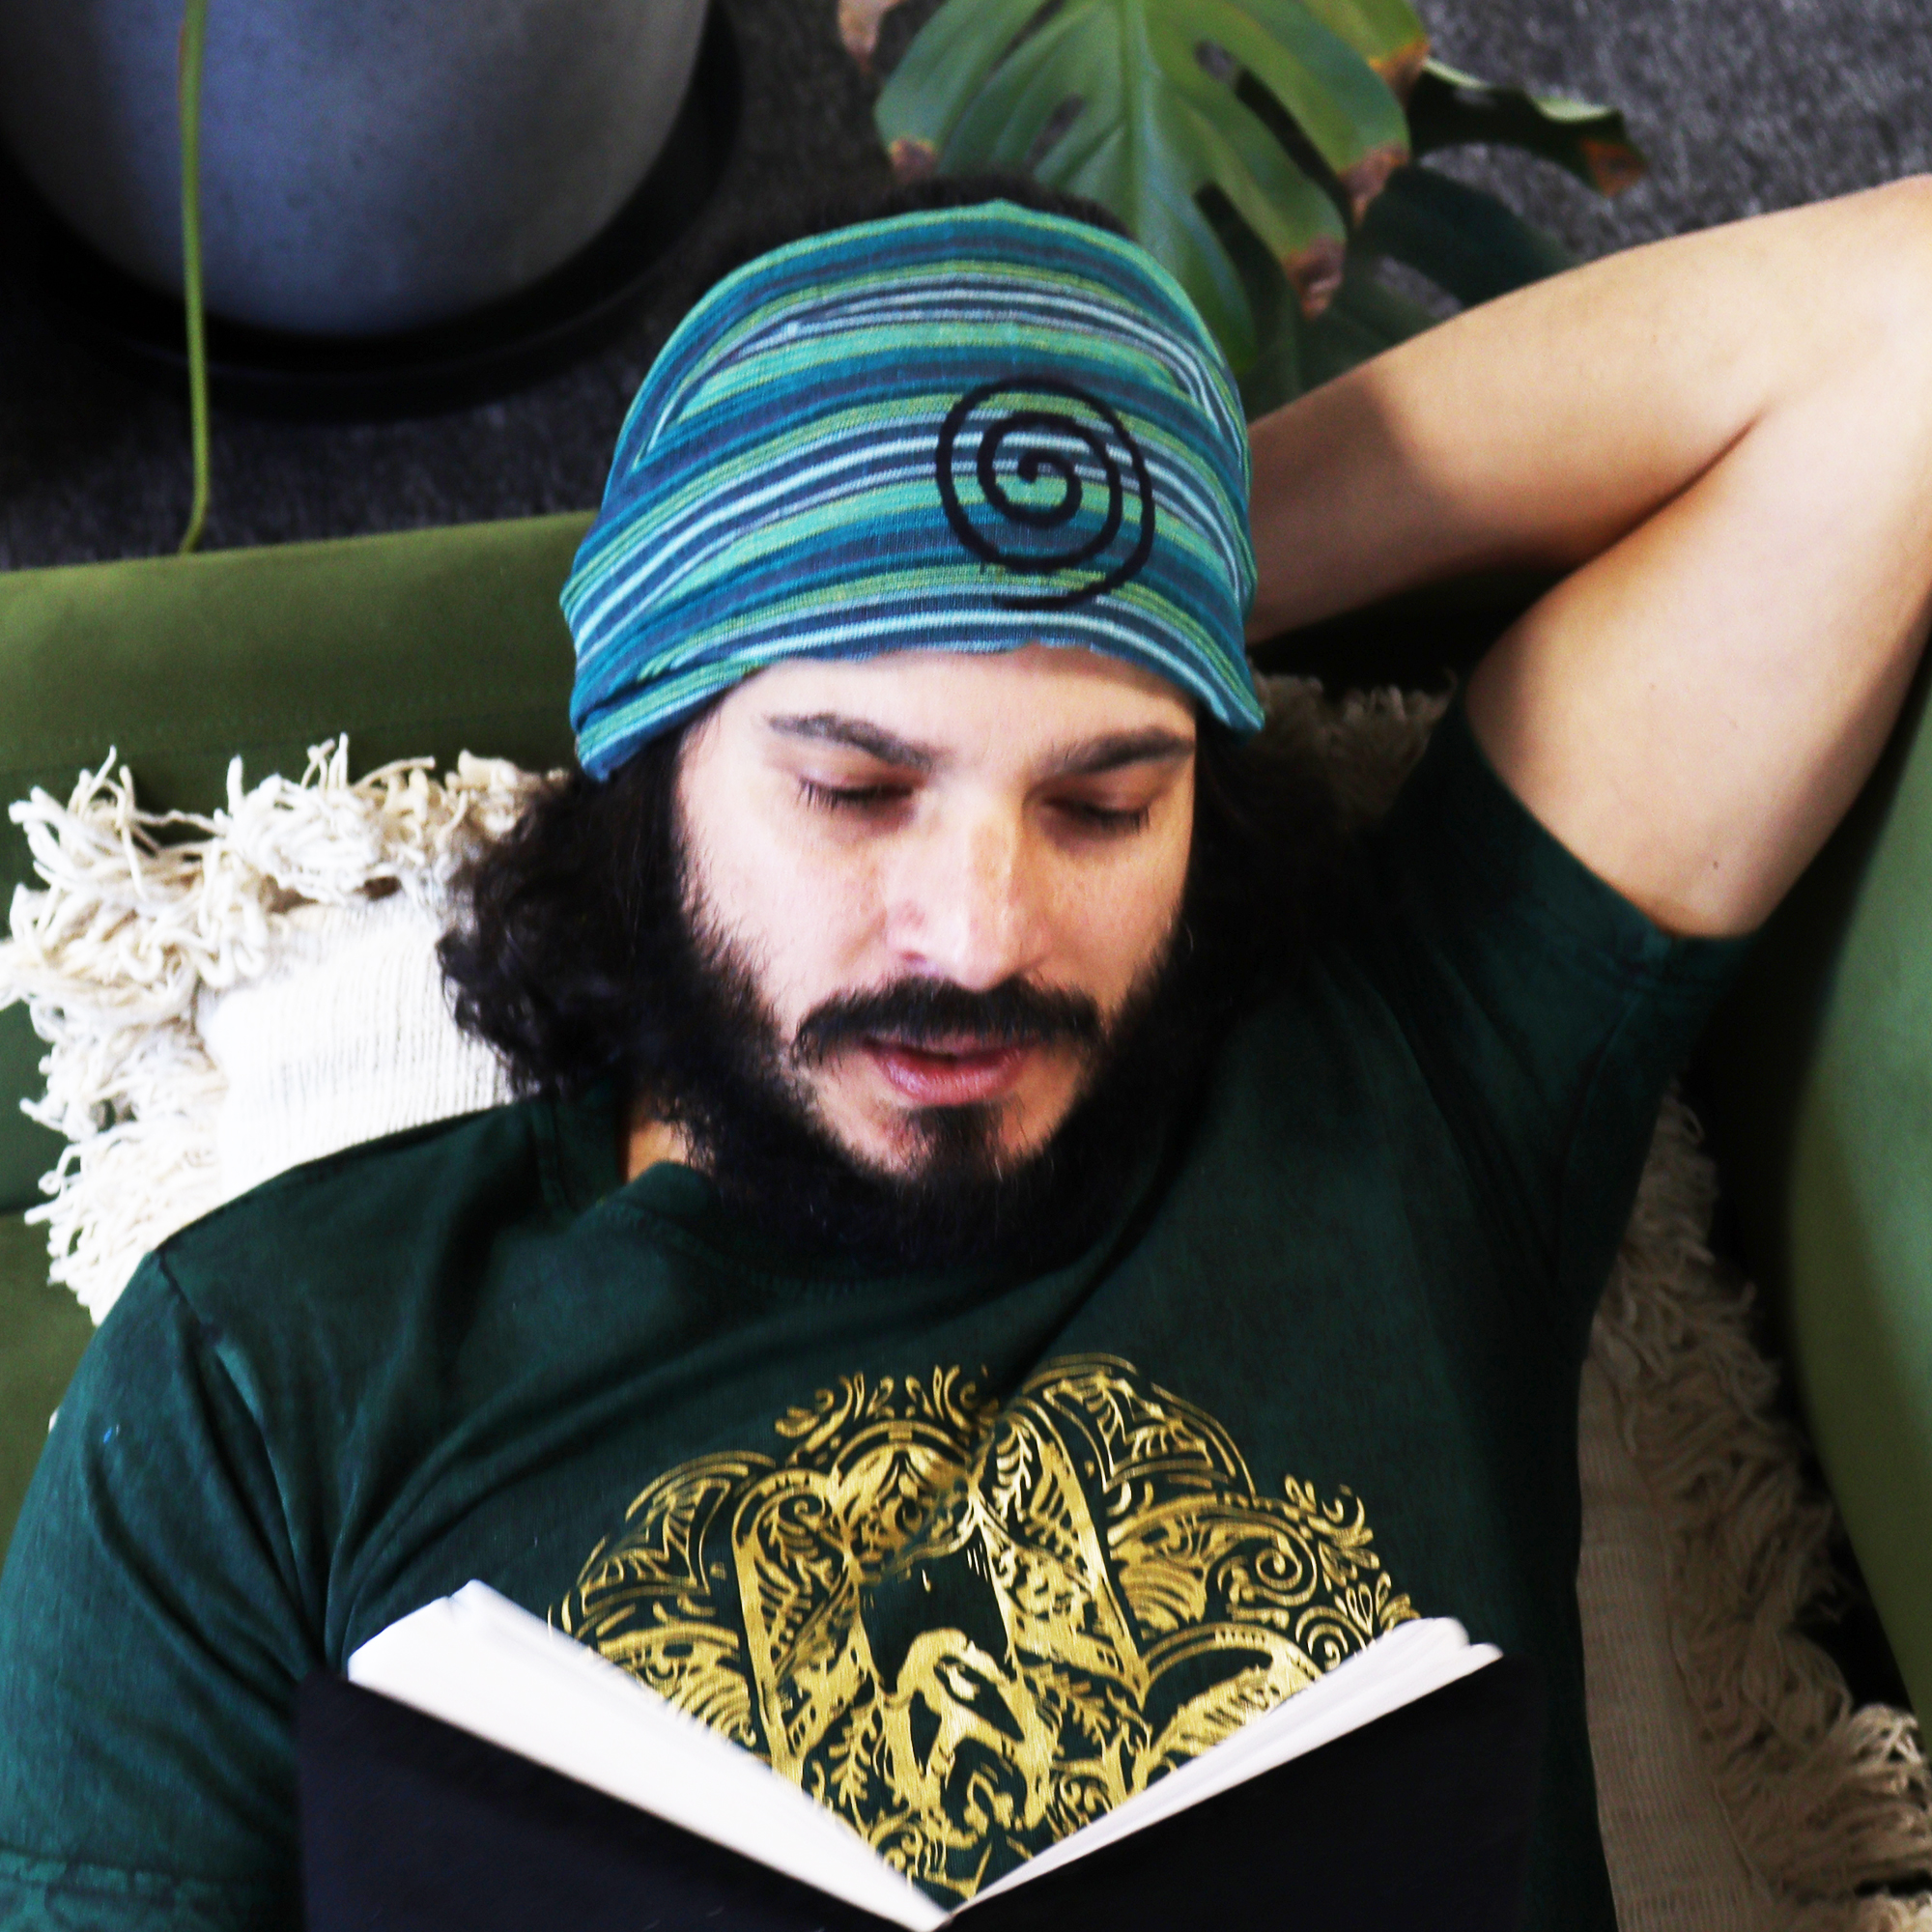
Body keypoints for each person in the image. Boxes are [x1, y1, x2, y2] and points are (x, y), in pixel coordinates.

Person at [3, 171, 1930, 1931]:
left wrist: (1134, 559)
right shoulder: (268, 1366)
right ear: (649, 766)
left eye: (1104, 800)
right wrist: (976, 577)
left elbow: (1898, 315)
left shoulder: (1412, 1075)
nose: (983, 933)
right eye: (855, 789)